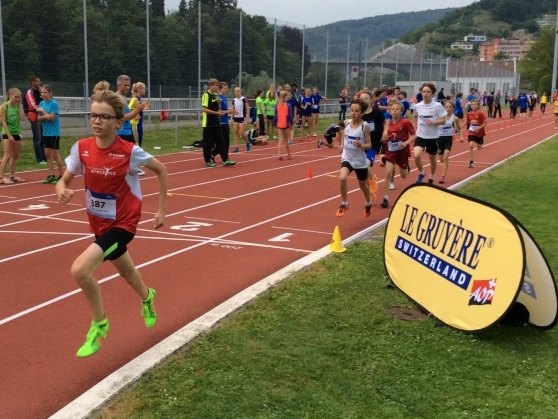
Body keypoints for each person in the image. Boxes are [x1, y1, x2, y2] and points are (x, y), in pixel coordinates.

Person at [54, 88, 168, 358]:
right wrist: (61, 189)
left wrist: (162, 210)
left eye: (104, 117)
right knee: (126, 271)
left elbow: (161, 170)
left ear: (118, 122)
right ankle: (147, 297)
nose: (96, 121)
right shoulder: (82, 148)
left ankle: (100, 324)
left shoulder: (129, 152)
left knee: (80, 270)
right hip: (99, 224)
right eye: (93, 115)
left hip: (124, 224)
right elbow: (64, 179)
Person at [335, 99, 373, 219]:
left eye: (356, 111)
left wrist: (361, 145)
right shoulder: (347, 122)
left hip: (359, 160)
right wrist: (341, 144)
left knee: (363, 186)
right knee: (342, 179)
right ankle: (345, 203)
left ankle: (368, 203)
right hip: (347, 157)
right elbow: (344, 135)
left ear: (362, 113)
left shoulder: (364, 126)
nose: (353, 113)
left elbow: (369, 145)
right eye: (351, 110)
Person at [379, 100, 416, 208]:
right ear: (390, 111)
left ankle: (406, 168)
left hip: (402, 152)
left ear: (401, 111)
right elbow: (383, 139)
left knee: (403, 176)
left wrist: (405, 143)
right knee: (388, 173)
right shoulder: (387, 123)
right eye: (392, 109)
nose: (394, 111)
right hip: (390, 151)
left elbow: (414, 136)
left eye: (397, 109)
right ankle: (385, 198)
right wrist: (384, 139)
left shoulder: (405, 122)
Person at [413, 82, 447, 184]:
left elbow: (444, 120)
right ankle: (422, 172)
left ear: (432, 94)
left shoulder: (437, 106)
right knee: (416, 155)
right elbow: (415, 116)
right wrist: (416, 126)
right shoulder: (417, 106)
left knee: (432, 158)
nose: (425, 94)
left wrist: (434, 122)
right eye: (423, 92)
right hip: (421, 135)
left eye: (428, 92)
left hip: (433, 137)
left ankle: (431, 176)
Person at [115, 75, 148, 175]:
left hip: (127, 130)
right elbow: (122, 117)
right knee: (133, 151)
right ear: (119, 84)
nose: (127, 87)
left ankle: (129, 169)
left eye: (129, 85)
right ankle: (131, 168)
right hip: (122, 132)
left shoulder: (123, 98)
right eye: (125, 85)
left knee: (131, 152)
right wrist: (137, 111)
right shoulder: (117, 99)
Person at [202, 79, 235, 167]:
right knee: (208, 142)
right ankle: (207, 160)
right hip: (208, 123)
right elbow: (204, 109)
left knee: (221, 141)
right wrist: (216, 113)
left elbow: (218, 109)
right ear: (211, 86)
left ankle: (225, 159)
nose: (217, 87)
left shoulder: (216, 95)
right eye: (215, 86)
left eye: (217, 85)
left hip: (217, 122)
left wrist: (219, 107)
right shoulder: (206, 95)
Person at [37, 85, 64, 184]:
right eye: (42, 92)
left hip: (54, 133)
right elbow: (38, 119)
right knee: (47, 154)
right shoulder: (41, 103)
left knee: (55, 155)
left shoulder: (54, 104)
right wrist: (46, 116)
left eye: (45, 92)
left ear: (50, 93)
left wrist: (43, 112)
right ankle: (51, 175)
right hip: (45, 132)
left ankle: (61, 176)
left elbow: (52, 118)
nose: (43, 94)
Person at [360, 90, 384, 193]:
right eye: (362, 99)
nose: (364, 100)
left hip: (373, 144)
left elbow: (386, 122)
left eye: (366, 98)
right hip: (361, 144)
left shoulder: (377, 112)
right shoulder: (359, 113)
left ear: (371, 100)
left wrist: (385, 133)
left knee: (365, 165)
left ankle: (372, 180)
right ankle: (369, 188)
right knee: (362, 169)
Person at [0, 88, 25, 184]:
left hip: (17, 132)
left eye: (19, 97)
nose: (18, 99)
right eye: (16, 97)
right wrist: (9, 135)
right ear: (10, 96)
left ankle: (12, 175)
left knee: (15, 155)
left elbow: (22, 118)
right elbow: (3, 122)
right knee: (7, 155)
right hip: (7, 133)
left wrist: (20, 106)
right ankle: (1, 177)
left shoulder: (17, 106)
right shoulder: (4, 106)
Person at [437, 100, 462, 185]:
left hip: (448, 138)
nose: (448, 108)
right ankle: (442, 158)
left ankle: (443, 176)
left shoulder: (455, 118)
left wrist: (461, 136)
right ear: (444, 107)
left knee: (446, 157)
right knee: (441, 158)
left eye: (450, 107)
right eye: (447, 107)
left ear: (452, 108)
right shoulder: (439, 117)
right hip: (439, 139)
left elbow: (459, 128)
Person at [24, 75, 47, 164]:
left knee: (43, 137)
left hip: (41, 116)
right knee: (38, 139)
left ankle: (45, 157)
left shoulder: (39, 91)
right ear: (32, 82)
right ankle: (40, 158)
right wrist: (42, 109)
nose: (39, 83)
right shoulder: (30, 92)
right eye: (37, 81)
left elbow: (45, 100)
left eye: (39, 81)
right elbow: (32, 105)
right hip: (35, 117)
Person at [465, 99, 487, 168]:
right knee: (471, 145)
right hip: (471, 131)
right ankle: (471, 162)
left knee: (479, 148)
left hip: (479, 132)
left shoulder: (480, 113)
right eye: (472, 105)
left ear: (478, 105)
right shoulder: (469, 113)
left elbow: (485, 122)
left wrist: (479, 128)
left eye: (475, 104)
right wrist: (461, 125)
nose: (473, 106)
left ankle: (480, 143)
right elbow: (468, 121)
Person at [129, 82, 150, 147]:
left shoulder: (139, 99)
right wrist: (134, 115)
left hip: (139, 123)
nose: (145, 90)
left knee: (139, 142)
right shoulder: (135, 99)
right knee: (136, 143)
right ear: (139, 89)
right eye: (144, 89)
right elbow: (129, 108)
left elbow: (137, 109)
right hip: (135, 124)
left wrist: (144, 108)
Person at [274, 91, 293, 160]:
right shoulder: (288, 105)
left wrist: (274, 123)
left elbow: (275, 115)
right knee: (287, 140)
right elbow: (290, 116)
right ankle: (288, 154)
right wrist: (291, 124)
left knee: (280, 140)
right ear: (285, 97)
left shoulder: (277, 105)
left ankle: (279, 154)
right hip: (286, 124)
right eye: (287, 96)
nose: (288, 97)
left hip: (279, 124)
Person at [231, 87, 250, 153]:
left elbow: (247, 108)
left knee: (241, 133)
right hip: (236, 118)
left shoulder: (244, 99)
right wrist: (231, 118)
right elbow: (232, 109)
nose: (236, 93)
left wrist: (247, 117)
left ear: (240, 91)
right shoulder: (234, 100)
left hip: (243, 117)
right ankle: (236, 147)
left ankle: (247, 142)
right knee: (236, 132)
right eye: (235, 91)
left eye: (238, 91)